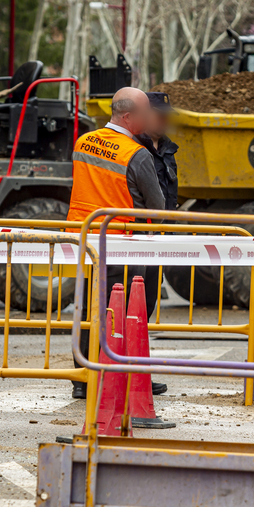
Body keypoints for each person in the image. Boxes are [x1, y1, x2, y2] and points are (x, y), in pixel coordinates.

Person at [68, 86, 168, 403]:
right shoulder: (136, 154)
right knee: (127, 313)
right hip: (123, 246)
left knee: (87, 311)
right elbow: (158, 207)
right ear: (128, 116)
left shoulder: (84, 142)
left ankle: (83, 378)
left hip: (85, 242)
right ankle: (126, 375)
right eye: (144, 113)